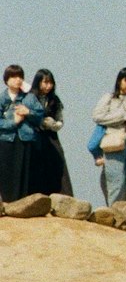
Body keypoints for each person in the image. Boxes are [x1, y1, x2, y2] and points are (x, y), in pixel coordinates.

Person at [92, 68, 126, 204]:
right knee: (116, 182)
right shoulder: (110, 98)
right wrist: (124, 117)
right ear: (119, 81)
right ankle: (115, 215)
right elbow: (97, 116)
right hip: (114, 141)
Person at [0, 65, 44, 203]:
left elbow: (40, 116)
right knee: (7, 172)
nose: (17, 80)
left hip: (25, 139)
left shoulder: (29, 98)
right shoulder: (2, 98)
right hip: (6, 139)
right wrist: (13, 122)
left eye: (20, 77)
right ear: (6, 80)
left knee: (24, 172)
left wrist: (28, 112)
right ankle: (7, 202)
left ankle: (22, 204)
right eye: (13, 77)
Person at [28, 69, 73, 197]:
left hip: (52, 137)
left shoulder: (54, 99)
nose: (48, 86)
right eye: (45, 83)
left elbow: (60, 120)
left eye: (50, 83)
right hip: (35, 136)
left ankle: (61, 197)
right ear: (38, 82)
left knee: (57, 163)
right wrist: (41, 122)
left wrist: (53, 124)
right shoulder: (31, 98)